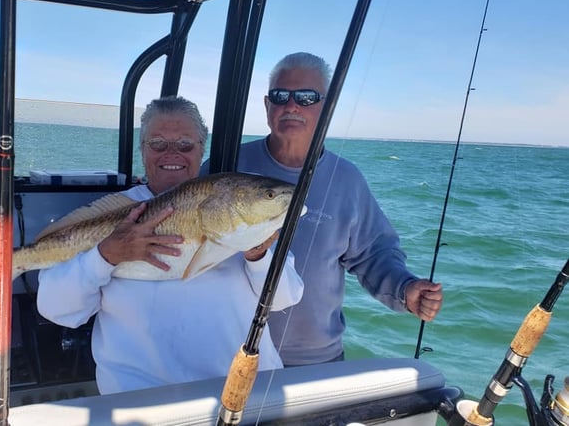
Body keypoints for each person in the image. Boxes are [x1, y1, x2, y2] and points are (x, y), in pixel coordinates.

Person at [37, 96, 303, 393]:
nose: (172, 153)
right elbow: (55, 308)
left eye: (185, 144)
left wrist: (259, 255)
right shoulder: (118, 215)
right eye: (158, 144)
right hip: (144, 403)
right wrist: (105, 256)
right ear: (143, 149)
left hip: (246, 396)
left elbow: (284, 299)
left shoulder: (239, 210)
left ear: (202, 149)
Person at [225, 52, 443, 366]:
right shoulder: (228, 165)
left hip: (317, 360)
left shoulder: (347, 180)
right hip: (231, 353)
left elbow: (374, 253)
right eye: (280, 95)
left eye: (306, 97)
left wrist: (405, 289)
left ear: (326, 106)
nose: (291, 106)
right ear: (266, 105)